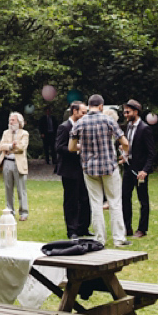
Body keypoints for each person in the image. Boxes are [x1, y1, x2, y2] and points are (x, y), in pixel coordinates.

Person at [72, 94, 129, 248]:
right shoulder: (108, 120)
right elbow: (124, 142)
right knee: (115, 202)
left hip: (89, 168)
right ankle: (118, 238)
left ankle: (99, 239)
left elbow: (71, 147)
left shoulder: (80, 122)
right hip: (109, 166)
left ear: (89, 106)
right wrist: (125, 154)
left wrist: (83, 147)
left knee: (95, 203)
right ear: (101, 106)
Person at [121, 99, 155, 239]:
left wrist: (145, 170)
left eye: (128, 112)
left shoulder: (145, 128)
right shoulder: (128, 126)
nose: (125, 114)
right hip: (128, 168)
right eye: (124, 112)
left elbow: (151, 153)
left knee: (143, 200)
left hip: (140, 171)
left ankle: (142, 229)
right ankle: (127, 227)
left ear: (136, 112)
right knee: (124, 197)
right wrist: (124, 157)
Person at [55, 101, 90, 239]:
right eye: (83, 112)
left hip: (84, 168)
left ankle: (83, 227)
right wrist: (75, 149)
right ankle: (72, 230)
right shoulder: (64, 127)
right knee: (71, 200)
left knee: (85, 199)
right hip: (69, 169)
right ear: (74, 112)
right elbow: (59, 147)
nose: (84, 115)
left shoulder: (84, 126)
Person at [0, 111, 29, 221]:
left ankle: (24, 212)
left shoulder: (24, 133)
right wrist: (10, 146)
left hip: (19, 164)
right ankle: (10, 211)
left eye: (12, 120)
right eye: (10, 120)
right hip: (7, 162)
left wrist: (10, 147)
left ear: (19, 122)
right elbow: (0, 146)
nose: (10, 122)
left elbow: (22, 147)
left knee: (21, 189)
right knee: (8, 188)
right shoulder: (6, 133)